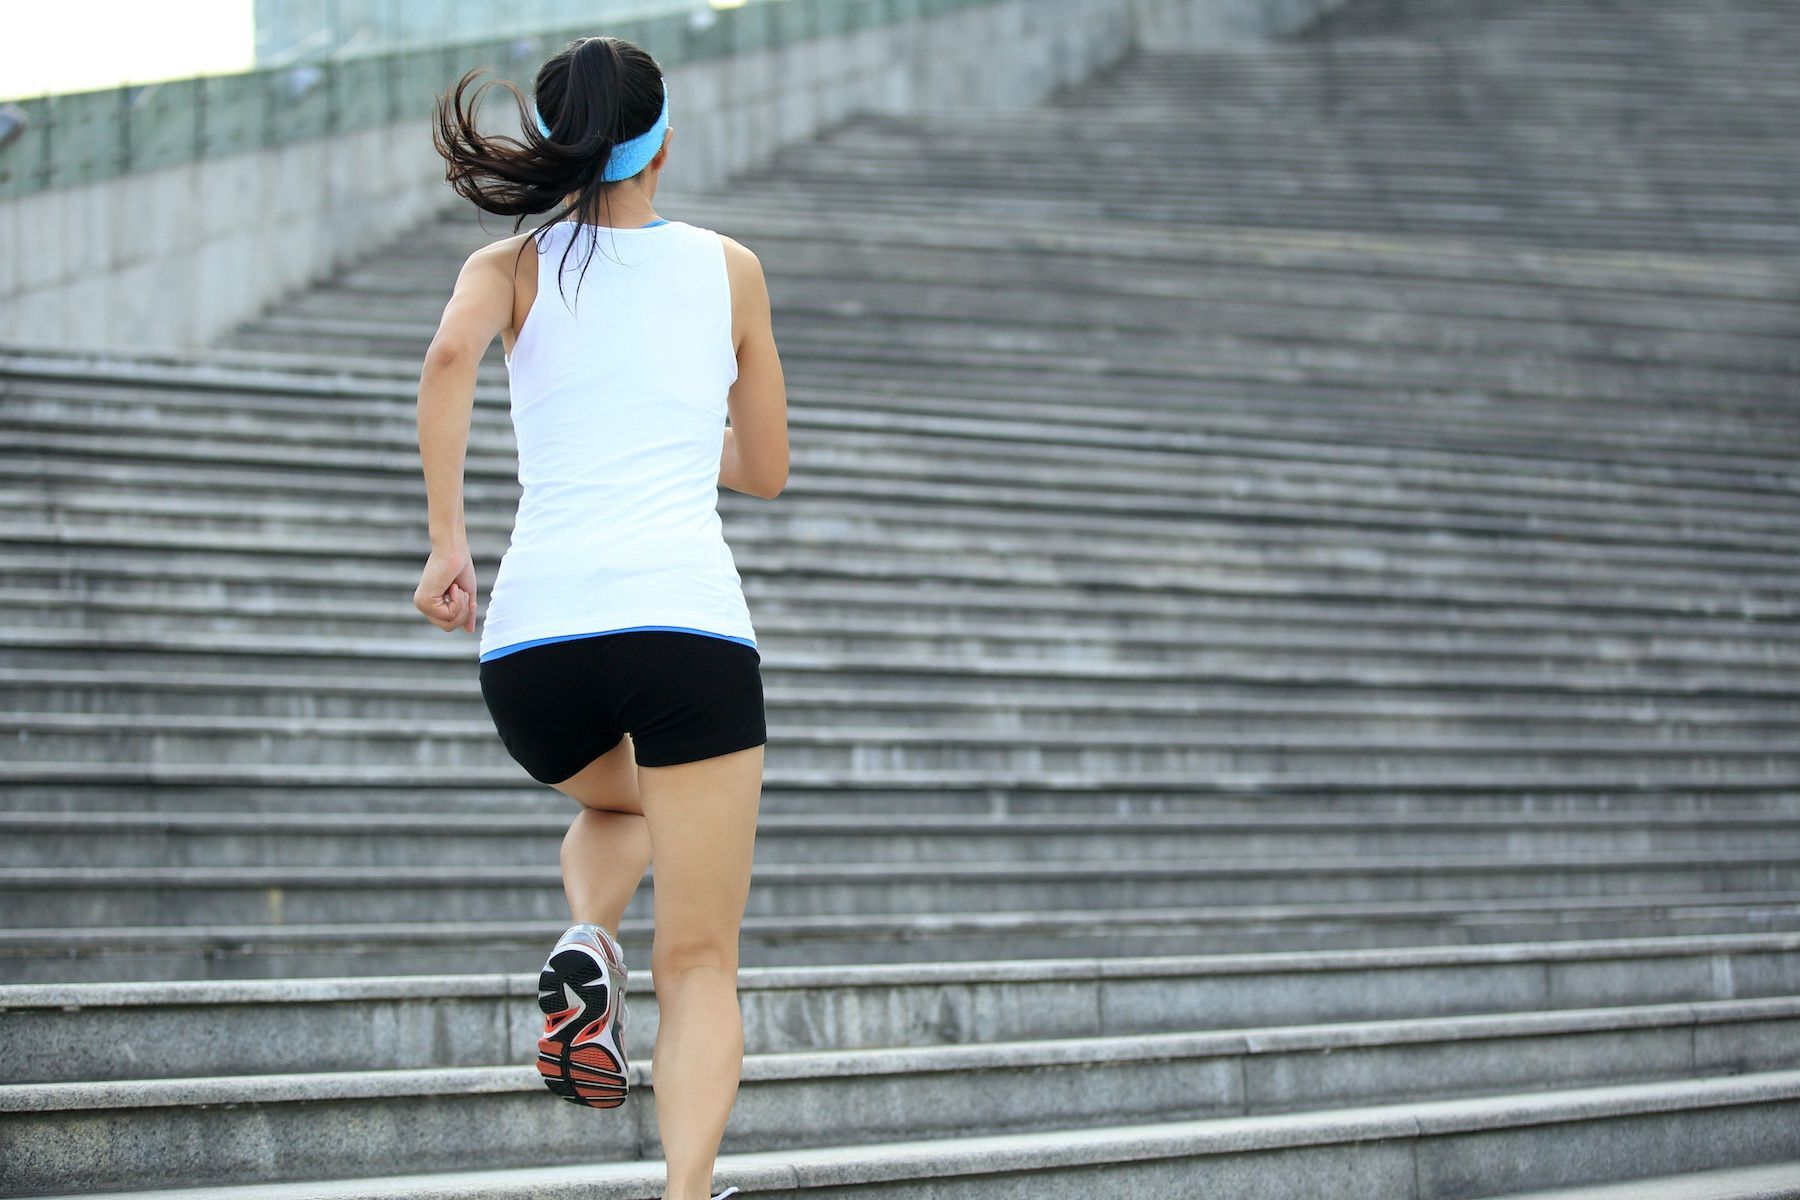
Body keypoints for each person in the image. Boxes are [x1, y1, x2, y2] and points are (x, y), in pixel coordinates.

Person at [411, 33, 788, 1200]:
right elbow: (766, 470)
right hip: (686, 634)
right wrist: (681, 432)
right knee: (706, 956)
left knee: (621, 803)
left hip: (534, 646)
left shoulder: (508, 265)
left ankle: (589, 938)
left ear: (563, 141)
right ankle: (685, 1194)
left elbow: (445, 363)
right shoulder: (730, 270)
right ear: (663, 142)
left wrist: (447, 543)